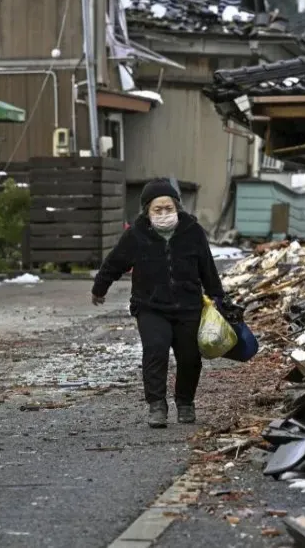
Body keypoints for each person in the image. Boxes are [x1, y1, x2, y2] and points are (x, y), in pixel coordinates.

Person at [91, 179, 226, 427]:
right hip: (150, 306)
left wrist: (219, 297)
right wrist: (100, 288)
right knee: (156, 352)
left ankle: (185, 402)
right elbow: (114, 262)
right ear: (147, 211)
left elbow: (207, 267)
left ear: (177, 208)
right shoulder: (136, 235)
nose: (164, 214)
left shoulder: (192, 232)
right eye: (157, 209)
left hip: (188, 307)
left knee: (189, 357)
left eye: (168, 208)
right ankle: (157, 405)